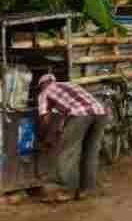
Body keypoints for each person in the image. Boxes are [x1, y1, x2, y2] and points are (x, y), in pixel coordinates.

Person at [34, 73, 110, 201]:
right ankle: (88, 190)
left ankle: (66, 191)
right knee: (90, 153)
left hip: (81, 115)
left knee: (68, 152)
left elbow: (45, 119)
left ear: (42, 85)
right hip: (101, 113)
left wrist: (41, 137)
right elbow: (66, 116)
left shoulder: (45, 93)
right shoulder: (69, 85)